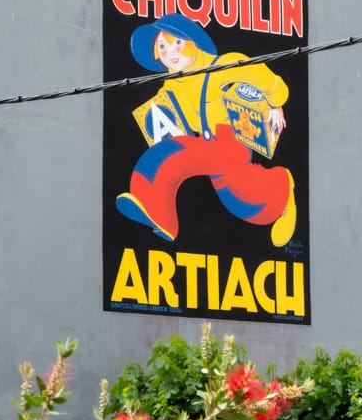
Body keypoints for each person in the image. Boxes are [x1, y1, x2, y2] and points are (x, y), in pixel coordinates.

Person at [116, 12, 297, 248]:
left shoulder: (223, 65)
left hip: (231, 141)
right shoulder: (170, 86)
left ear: (193, 41)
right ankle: (282, 188)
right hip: (210, 146)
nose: (170, 52)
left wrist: (275, 104)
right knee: (240, 200)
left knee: (173, 156)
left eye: (176, 43)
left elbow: (265, 79)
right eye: (162, 46)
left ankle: (159, 213)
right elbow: (162, 118)